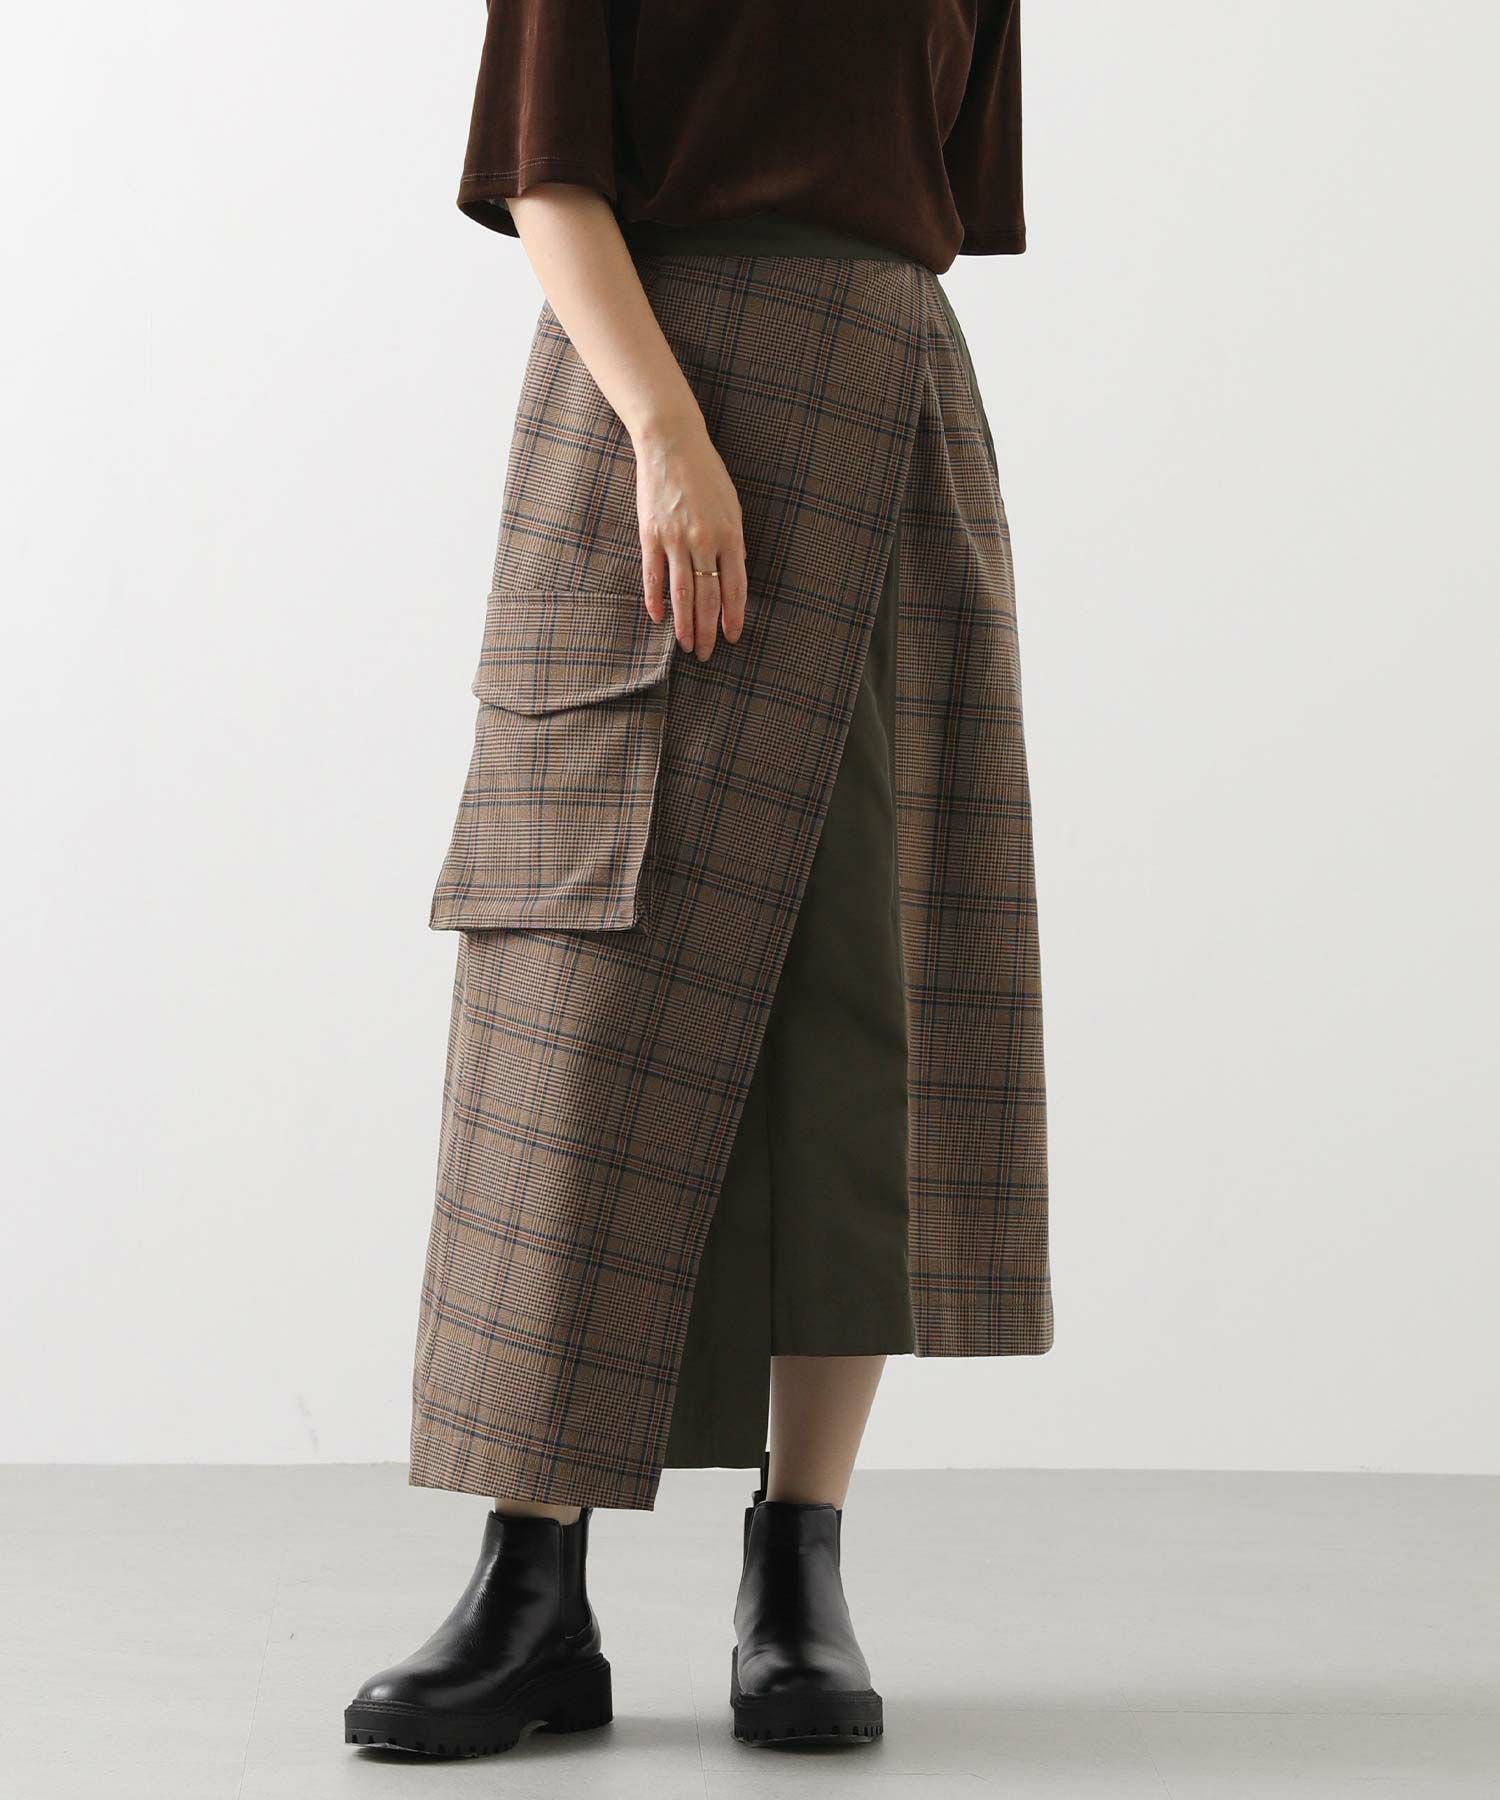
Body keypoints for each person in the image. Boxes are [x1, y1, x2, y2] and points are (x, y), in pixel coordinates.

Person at [346, 0, 1051, 1757]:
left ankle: (798, 1569)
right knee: (579, 986)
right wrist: (667, 432)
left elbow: (930, 205)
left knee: (853, 1000)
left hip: (881, 423)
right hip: (642, 417)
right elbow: (545, 177)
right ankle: (529, 1582)